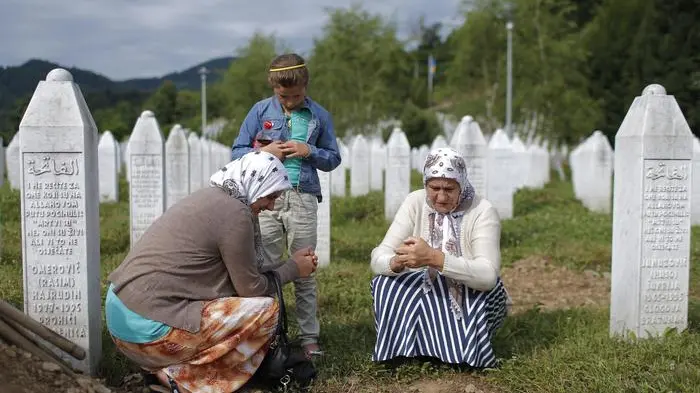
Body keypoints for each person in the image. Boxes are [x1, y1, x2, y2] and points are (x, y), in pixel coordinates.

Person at [105, 151, 318, 393]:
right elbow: (251, 289)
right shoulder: (236, 214)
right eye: (270, 196)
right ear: (255, 184)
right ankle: (181, 379)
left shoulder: (215, 197)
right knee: (267, 310)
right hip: (149, 333)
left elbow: (245, 273)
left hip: (123, 320)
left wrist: (289, 264)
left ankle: (159, 369)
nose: (270, 206)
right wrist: (292, 269)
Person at [231, 53, 341, 357]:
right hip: (266, 199)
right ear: (273, 88)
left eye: (296, 95)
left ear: (306, 86)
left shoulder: (320, 115)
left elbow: (333, 158)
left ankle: (309, 337)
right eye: (283, 96)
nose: (290, 101)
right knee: (264, 268)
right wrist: (265, 151)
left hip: (303, 197)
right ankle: (269, 333)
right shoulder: (258, 111)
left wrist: (309, 150)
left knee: (304, 268)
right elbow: (236, 150)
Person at [370, 147, 509, 368]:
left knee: (472, 292)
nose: (441, 197)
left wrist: (434, 258)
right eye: (434, 188)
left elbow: (487, 276)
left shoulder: (482, 211)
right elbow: (378, 256)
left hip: (470, 284)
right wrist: (396, 262)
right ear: (425, 184)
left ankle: (462, 355)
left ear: (461, 186)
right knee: (385, 284)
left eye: (449, 189)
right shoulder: (415, 202)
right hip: (424, 282)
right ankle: (405, 350)